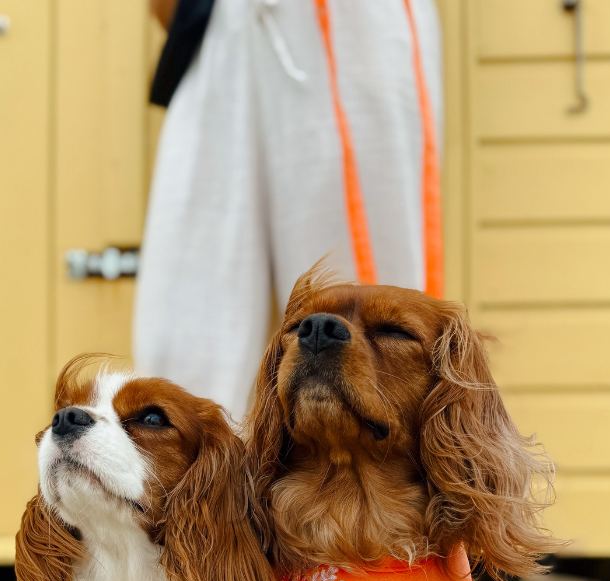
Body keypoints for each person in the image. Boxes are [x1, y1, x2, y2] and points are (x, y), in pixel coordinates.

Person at [135, 0, 444, 417]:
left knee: (368, 320)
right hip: (217, 29)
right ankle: (181, 457)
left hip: (354, 28)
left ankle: (383, 458)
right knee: (188, 319)